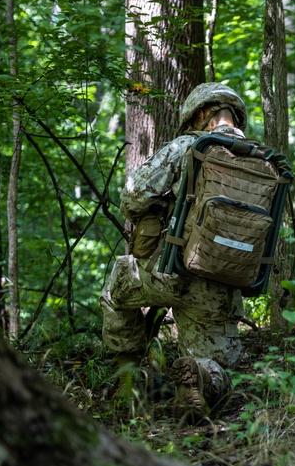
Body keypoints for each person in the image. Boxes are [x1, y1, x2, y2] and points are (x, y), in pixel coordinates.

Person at [101, 83, 249, 420]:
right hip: (222, 284)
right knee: (217, 363)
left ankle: (130, 380)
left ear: (201, 114)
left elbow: (133, 195)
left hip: (169, 269)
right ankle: (200, 378)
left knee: (115, 290)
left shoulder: (188, 144)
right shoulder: (261, 159)